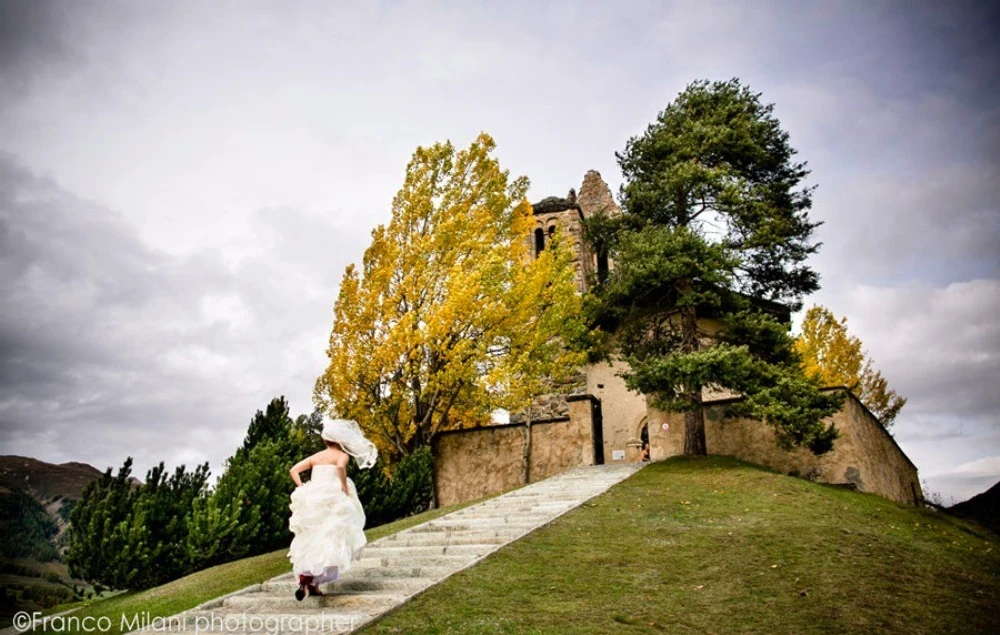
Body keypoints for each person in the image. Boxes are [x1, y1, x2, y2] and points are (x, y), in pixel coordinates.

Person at [287, 418, 377, 601]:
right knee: (331, 536)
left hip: (314, 497)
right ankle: (314, 582)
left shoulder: (316, 457)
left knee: (312, 536)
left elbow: (293, 470)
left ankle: (308, 581)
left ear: (325, 440)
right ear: (339, 440)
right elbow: (341, 466)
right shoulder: (342, 456)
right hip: (333, 496)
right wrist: (343, 485)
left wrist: (302, 487)